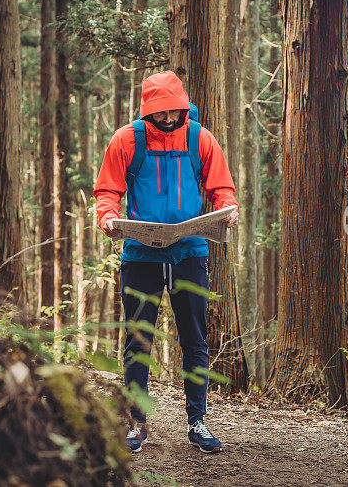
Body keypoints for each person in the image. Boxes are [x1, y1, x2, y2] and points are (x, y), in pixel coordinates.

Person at [93, 70, 239, 454]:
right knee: (138, 339)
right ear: (147, 110)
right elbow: (107, 190)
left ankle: (198, 420)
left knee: (194, 339)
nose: (170, 118)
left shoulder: (199, 138)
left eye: (175, 111)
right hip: (141, 254)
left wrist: (227, 209)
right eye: (162, 112)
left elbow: (221, 186)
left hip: (190, 252)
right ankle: (136, 423)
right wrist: (108, 217)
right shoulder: (127, 140)